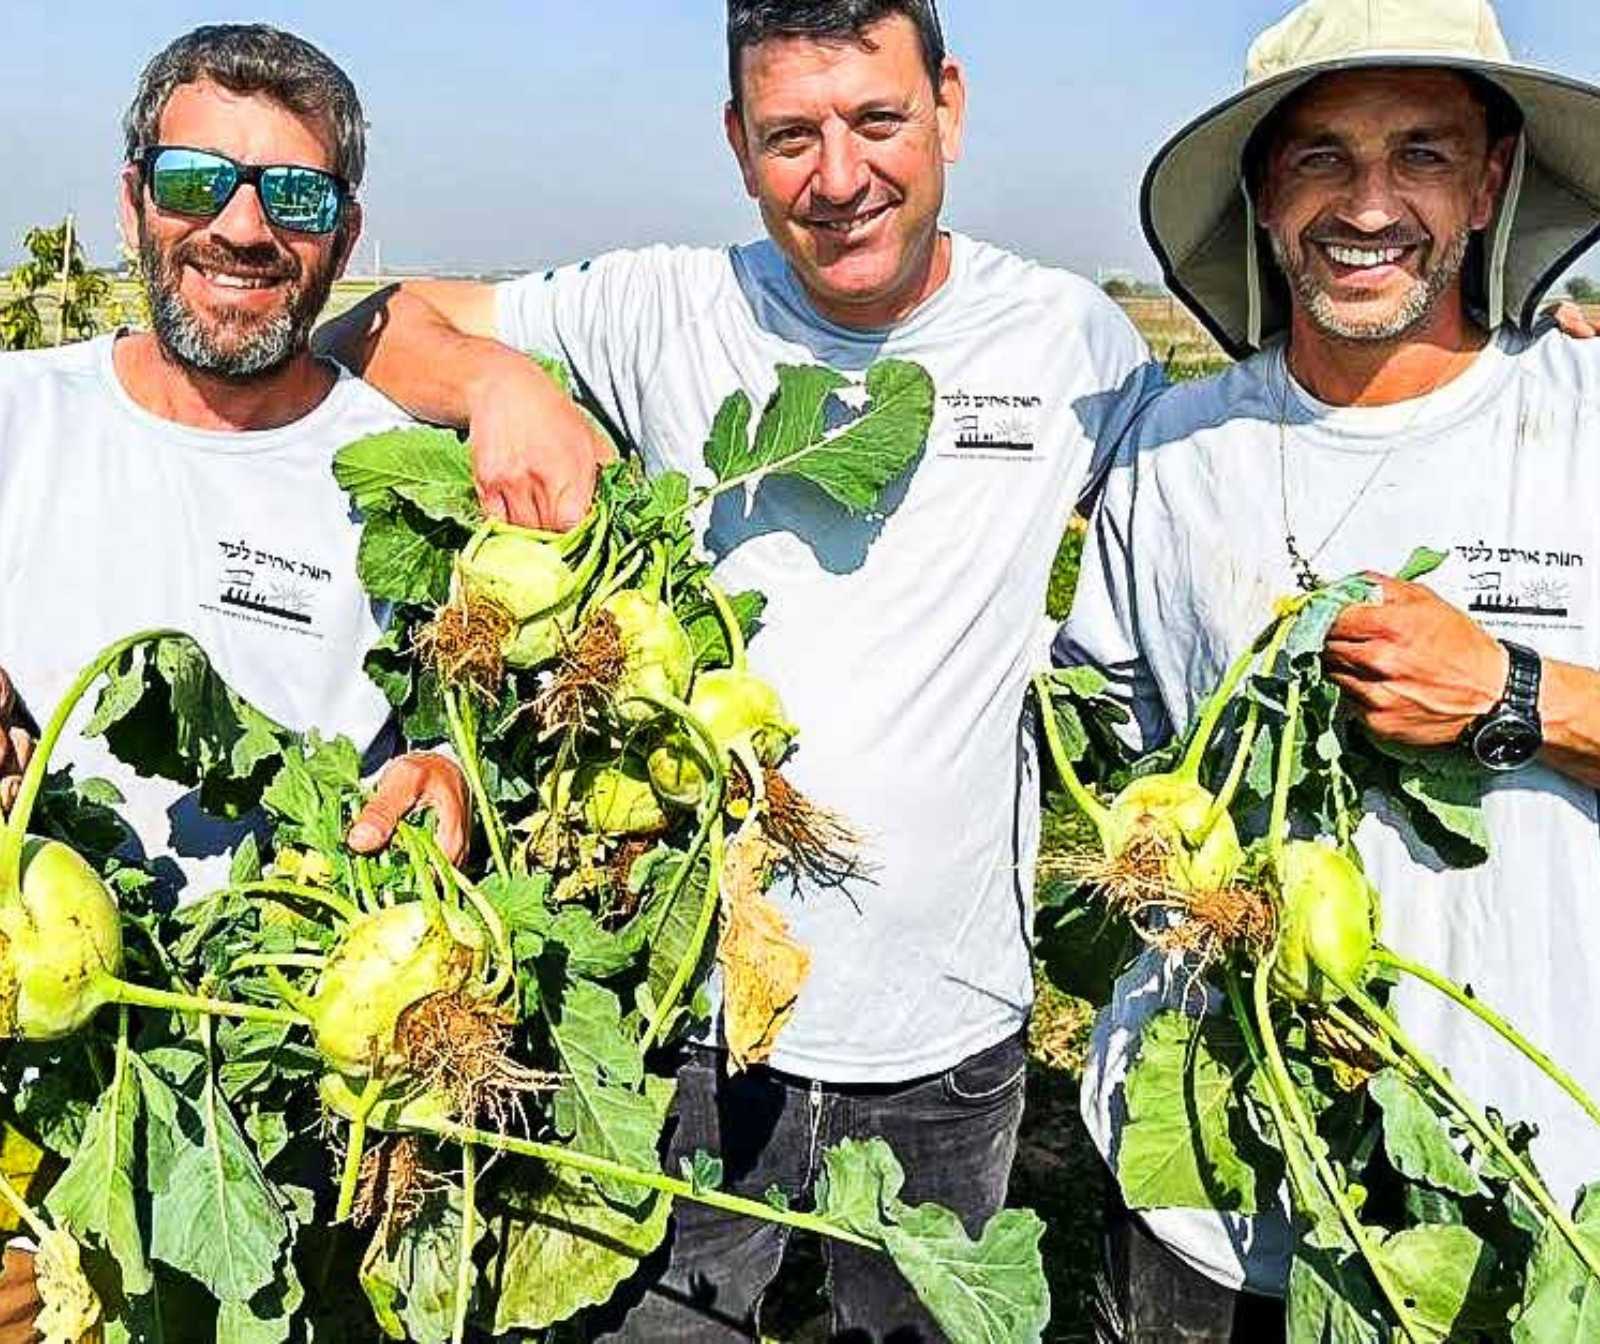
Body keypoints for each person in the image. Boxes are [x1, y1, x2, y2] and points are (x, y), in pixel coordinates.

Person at [319, 1, 1161, 1336]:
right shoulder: (660, 307)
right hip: (687, 1012)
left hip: (951, 1020)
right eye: (790, 137)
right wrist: (497, 384)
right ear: (736, 141)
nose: (839, 178)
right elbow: (373, 319)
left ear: (948, 103)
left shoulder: (1077, 343)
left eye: (877, 120)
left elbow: (1225, 479)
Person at [1055, 0, 1600, 1338]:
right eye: (1319, 158)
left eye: (1421, 153)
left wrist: (1516, 698)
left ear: (1489, 185)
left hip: (1522, 1178)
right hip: (1206, 1177)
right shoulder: (1173, 451)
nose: (1368, 204)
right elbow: (1110, 743)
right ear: (1260, 193)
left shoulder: (1582, 424)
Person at [0, 22, 537, 1334]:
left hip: (311, 1101)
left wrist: (456, 774)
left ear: (342, 239)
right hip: (38, 1080)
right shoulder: (18, 416)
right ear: (135, 199)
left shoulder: (411, 478)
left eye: (292, 196)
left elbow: (478, 734)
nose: (242, 228)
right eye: (197, 182)